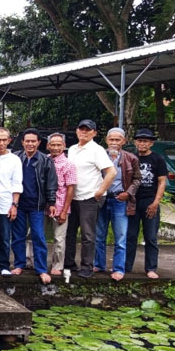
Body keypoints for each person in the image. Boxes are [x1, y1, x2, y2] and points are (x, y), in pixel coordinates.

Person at [64, 119, 116, 278]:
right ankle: (69, 263)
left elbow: (111, 172)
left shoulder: (96, 150)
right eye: (81, 129)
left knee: (87, 234)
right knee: (70, 232)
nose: (84, 132)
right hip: (72, 197)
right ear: (77, 131)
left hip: (89, 197)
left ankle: (87, 266)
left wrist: (100, 191)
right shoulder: (72, 149)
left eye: (88, 130)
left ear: (94, 133)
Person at [94, 128, 141, 281]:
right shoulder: (99, 156)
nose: (114, 143)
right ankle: (99, 264)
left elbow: (137, 179)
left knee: (120, 237)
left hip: (120, 200)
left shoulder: (131, 158)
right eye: (111, 139)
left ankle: (119, 268)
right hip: (102, 199)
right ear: (106, 140)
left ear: (124, 141)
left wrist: (128, 193)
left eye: (117, 140)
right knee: (99, 235)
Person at [11, 128, 57, 284]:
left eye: (33, 141)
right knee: (18, 236)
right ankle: (19, 265)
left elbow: (51, 184)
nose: (30, 144)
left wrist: (51, 202)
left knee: (38, 236)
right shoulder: (16, 158)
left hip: (37, 205)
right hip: (18, 204)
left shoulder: (45, 160)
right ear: (22, 142)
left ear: (38, 143)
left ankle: (41, 269)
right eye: (27, 141)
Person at [26, 133, 76, 276]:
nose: (55, 147)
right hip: (41, 206)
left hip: (60, 206)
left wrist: (64, 211)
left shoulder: (68, 165)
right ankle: (30, 261)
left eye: (59, 145)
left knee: (59, 238)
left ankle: (57, 265)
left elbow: (70, 189)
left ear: (64, 146)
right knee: (33, 234)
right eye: (52, 144)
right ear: (47, 145)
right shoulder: (43, 160)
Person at [126, 128, 167, 279]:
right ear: (135, 142)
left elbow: (162, 182)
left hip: (150, 200)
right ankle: (126, 266)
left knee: (150, 237)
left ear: (151, 143)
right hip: (133, 201)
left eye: (145, 141)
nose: (142, 143)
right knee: (130, 235)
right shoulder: (131, 158)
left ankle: (151, 268)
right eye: (139, 141)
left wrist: (156, 202)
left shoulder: (158, 159)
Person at [0, 127, 23, 276]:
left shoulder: (15, 159)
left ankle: (3, 265)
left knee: (5, 238)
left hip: (6, 203)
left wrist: (14, 205)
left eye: (4, 140)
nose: (1, 143)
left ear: (9, 140)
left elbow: (17, 183)